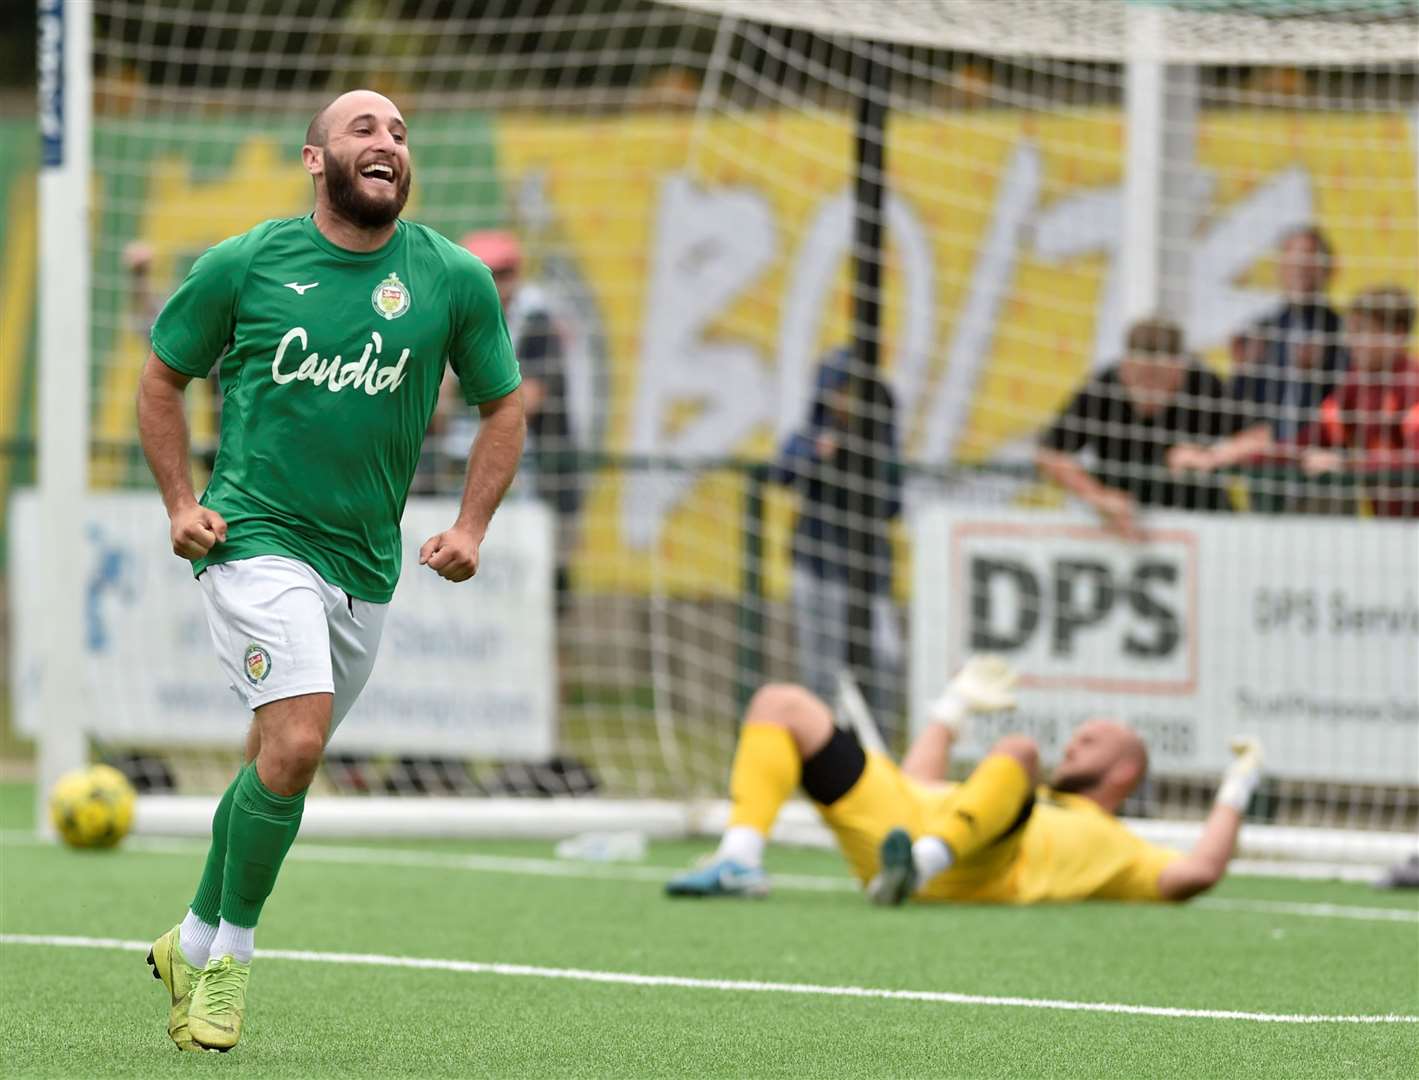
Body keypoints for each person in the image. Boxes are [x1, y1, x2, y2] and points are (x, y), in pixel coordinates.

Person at [136, 89, 524, 1052]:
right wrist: (184, 505)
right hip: (254, 542)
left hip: (367, 566)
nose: (386, 142)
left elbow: (502, 407)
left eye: (398, 132)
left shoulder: (451, 278)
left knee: (275, 761)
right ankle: (229, 966)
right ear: (316, 160)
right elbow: (161, 377)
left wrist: (472, 526)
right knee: (302, 745)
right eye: (363, 129)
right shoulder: (248, 262)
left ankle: (186, 938)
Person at [666, 656, 1262, 905]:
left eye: (1091, 740)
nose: (1074, 741)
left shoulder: (1122, 849)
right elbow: (919, 787)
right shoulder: (1015, 795)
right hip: (911, 835)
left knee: (1019, 747)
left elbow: (1197, 872)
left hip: (978, 867)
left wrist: (1236, 786)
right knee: (781, 702)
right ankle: (738, 860)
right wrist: (950, 710)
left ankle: (920, 867)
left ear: (1126, 771)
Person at [446, 230, 580, 601]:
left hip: (542, 479)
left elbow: (526, 401)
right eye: (483, 273)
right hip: (469, 473)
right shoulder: (453, 320)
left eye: (502, 273)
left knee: (548, 587)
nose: (494, 284)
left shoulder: (538, 322)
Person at [772, 347, 903, 720]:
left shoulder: (881, 441)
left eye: (856, 391)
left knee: (884, 658)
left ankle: (877, 750)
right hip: (818, 567)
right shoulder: (814, 435)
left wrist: (866, 463)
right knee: (822, 676)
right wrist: (817, 454)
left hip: (867, 572)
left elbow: (893, 505)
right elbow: (780, 472)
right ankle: (826, 756)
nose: (848, 400)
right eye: (842, 390)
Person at [1168, 225, 1348, 481]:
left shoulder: (1342, 331)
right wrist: (1243, 371)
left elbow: (1354, 402)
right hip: (1267, 466)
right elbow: (1238, 410)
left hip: (1320, 463)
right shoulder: (1261, 330)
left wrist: (1319, 370)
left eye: (1308, 259)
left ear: (1327, 269)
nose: (1299, 269)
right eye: (1291, 259)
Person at [1036, 317, 1240, 539]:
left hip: (1200, 518)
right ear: (1125, 365)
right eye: (1140, 376)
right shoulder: (1103, 387)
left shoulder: (1204, 385)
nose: (1149, 387)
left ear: (1180, 368)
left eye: (1159, 378)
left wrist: (1211, 457)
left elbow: (1259, 436)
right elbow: (1050, 454)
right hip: (1120, 525)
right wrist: (1099, 497)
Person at [1287, 285, 1418, 518]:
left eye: (1362, 331)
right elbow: (1307, 440)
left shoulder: (1411, 385)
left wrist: (1347, 462)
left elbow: (1413, 459)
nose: (1351, 342)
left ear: (1397, 335)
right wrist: (1234, 451)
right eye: (1351, 332)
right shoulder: (1354, 386)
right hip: (1392, 532)